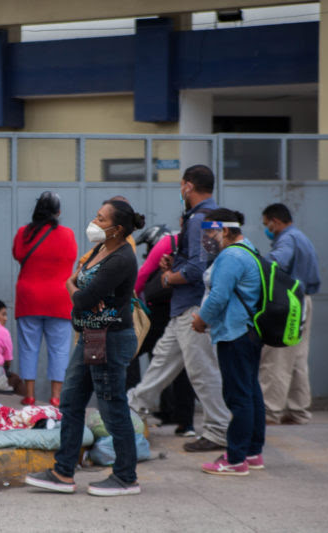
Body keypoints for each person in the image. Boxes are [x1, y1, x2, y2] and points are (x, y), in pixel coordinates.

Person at [26, 199, 145, 497]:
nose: (94, 222)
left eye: (101, 219)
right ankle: (63, 471)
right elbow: (76, 282)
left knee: (111, 406)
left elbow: (80, 297)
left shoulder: (122, 259)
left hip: (110, 338)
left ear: (117, 229)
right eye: (97, 215)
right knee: (70, 400)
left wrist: (78, 290)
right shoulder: (100, 249)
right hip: (92, 336)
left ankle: (126, 476)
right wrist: (76, 287)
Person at [127, 165, 231, 453]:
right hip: (185, 306)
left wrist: (169, 277)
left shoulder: (200, 220)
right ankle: (133, 408)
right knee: (161, 361)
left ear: (188, 186)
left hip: (193, 309)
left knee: (202, 371)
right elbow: (207, 262)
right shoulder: (210, 218)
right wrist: (177, 264)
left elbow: (199, 269)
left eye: (181, 185)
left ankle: (219, 430)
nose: (180, 190)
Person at [192, 209, 265, 475]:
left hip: (234, 333)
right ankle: (253, 452)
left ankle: (235, 459)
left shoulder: (231, 255)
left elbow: (219, 296)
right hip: (249, 331)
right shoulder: (249, 250)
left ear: (224, 230)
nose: (206, 239)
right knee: (250, 392)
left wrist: (201, 320)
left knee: (238, 397)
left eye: (209, 232)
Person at [12, 192, 77, 407]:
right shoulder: (67, 235)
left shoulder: (23, 233)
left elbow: (18, 254)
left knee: (28, 347)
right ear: (58, 213)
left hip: (29, 298)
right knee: (59, 349)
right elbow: (71, 258)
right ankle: (56, 397)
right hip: (59, 299)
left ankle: (29, 395)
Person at [132, 225, 196, 437]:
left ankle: (132, 411)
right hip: (184, 312)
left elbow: (142, 275)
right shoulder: (202, 246)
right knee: (182, 366)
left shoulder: (169, 243)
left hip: (160, 315)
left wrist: (131, 301)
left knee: (129, 354)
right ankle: (184, 422)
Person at [259, 203, 321, 425]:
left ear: (275, 222)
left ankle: (269, 412)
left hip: (290, 303)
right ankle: (299, 411)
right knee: (297, 359)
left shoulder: (286, 239)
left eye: (267, 225)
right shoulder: (301, 237)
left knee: (277, 358)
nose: (267, 229)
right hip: (304, 301)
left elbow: (274, 264)